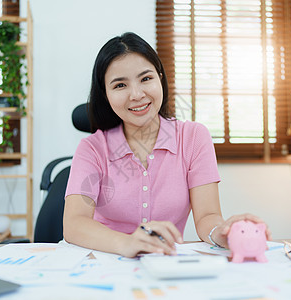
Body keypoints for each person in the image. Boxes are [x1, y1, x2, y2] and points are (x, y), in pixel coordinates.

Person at [63, 32, 271, 258]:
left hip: (166, 265)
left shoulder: (193, 137)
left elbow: (207, 216)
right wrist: (127, 243)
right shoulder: (92, 148)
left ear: (160, 79)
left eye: (146, 79)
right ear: (106, 94)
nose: (137, 94)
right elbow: (74, 223)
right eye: (120, 85)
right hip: (105, 262)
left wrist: (220, 232)